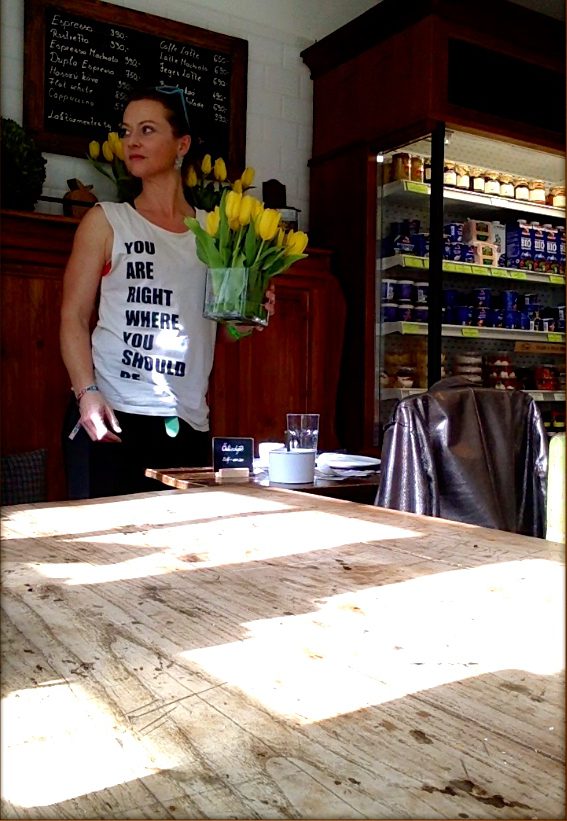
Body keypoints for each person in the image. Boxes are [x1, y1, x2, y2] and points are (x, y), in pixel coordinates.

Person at [60, 85, 274, 499]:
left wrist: (251, 314)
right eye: (126, 131)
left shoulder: (215, 229)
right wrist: (87, 394)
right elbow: (73, 316)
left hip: (187, 418)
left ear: (182, 144)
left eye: (147, 130)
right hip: (112, 414)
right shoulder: (107, 220)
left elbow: (225, 328)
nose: (132, 142)